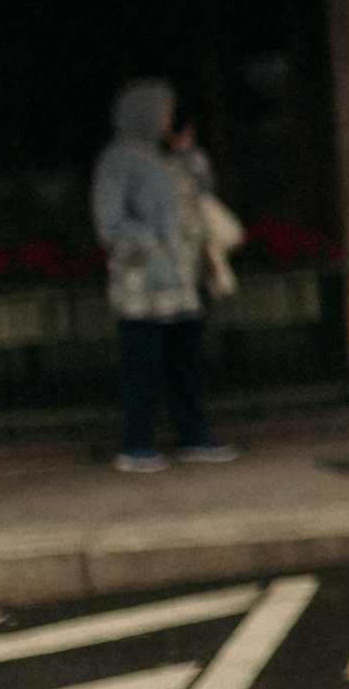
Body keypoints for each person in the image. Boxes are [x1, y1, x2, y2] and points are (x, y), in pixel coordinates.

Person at [90, 81, 238, 474]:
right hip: (146, 287)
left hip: (184, 283)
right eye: (165, 112)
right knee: (145, 365)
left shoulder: (163, 157)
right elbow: (110, 222)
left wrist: (188, 153)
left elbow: (201, 194)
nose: (169, 119)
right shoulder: (119, 160)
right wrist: (154, 247)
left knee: (185, 364)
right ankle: (136, 443)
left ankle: (193, 435)